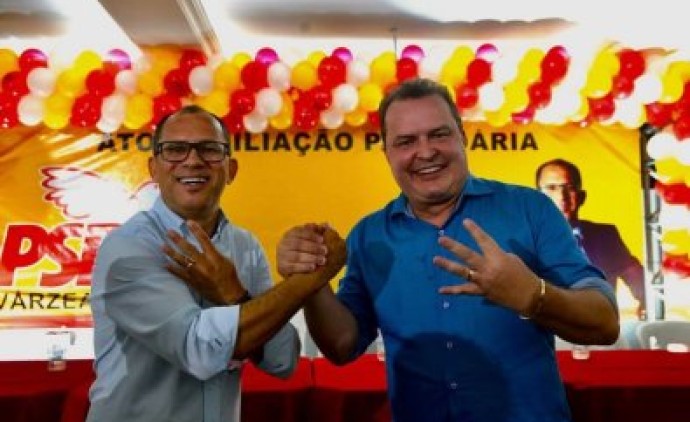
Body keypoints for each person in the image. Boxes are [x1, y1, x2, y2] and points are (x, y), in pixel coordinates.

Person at [277, 78, 619, 422]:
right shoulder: (369, 236)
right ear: (387, 153)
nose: (426, 152)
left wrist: (534, 295)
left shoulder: (531, 210)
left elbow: (605, 323)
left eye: (439, 134)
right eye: (406, 141)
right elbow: (341, 346)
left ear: (462, 137)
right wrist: (311, 281)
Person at [87, 105, 346, 422]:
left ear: (231, 169)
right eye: (175, 149)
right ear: (153, 168)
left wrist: (234, 293)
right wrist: (307, 281)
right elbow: (199, 351)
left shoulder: (245, 246)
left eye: (209, 149)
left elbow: (281, 360)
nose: (192, 160)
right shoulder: (129, 247)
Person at [535, 158, 647, 319]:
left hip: (597, 325)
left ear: (582, 196)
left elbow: (635, 276)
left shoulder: (605, 235)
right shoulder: (525, 239)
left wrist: (646, 301)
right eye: (552, 188)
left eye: (569, 188)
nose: (561, 196)